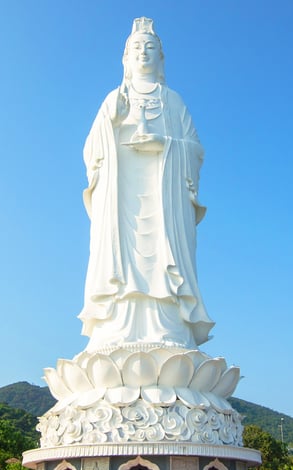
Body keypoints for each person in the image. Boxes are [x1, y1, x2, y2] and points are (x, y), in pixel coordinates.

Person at [79, 17, 214, 352]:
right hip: (122, 195)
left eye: (150, 47)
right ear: (125, 58)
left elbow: (195, 149)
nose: (143, 53)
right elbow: (91, 151)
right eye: (136, 48)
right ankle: (115, 328)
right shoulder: (113, 99)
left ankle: (170, 327)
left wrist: (164, 143)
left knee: (163, 258)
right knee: (119, 258)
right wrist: (110, 121)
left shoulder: (174, 101)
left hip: (163, 199)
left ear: (161, 58)